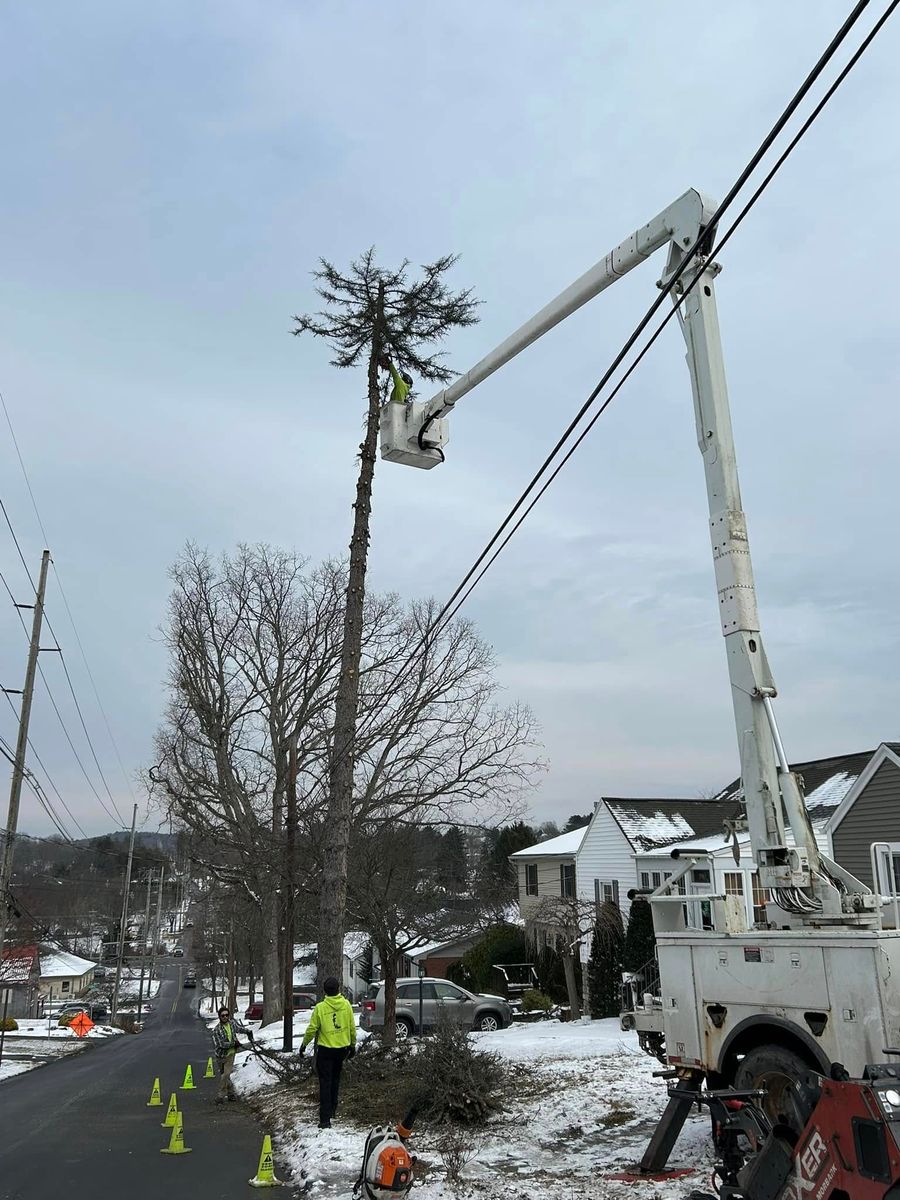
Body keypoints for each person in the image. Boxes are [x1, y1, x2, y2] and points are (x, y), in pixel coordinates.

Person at [300, 976, 357, 1128]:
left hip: (325, 1050)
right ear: (339, 989)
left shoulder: (320, 1008)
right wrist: (352, 1045)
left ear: (325, 991)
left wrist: (304, 1044)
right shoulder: (346, 1005)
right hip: (342, 1049)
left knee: (325, 1082)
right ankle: (333, 1109)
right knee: (336, 1080)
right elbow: (352, 1027)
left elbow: (312, 1029)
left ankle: (325, 1119)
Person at [211, 1005, 254, 1104]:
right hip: (220, 1055)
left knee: (225, 1075)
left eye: (227, 1015)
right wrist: (233, 1043)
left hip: (231, 1054)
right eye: (223, 1016)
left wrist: (248, 1032)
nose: (225, 1017)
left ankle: (220, 1096)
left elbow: (239, 1029)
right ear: (219, 1017)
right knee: (225, 1076)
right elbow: (220, 1044)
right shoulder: (217, 1030)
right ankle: (231, 1094)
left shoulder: (231, 1024)